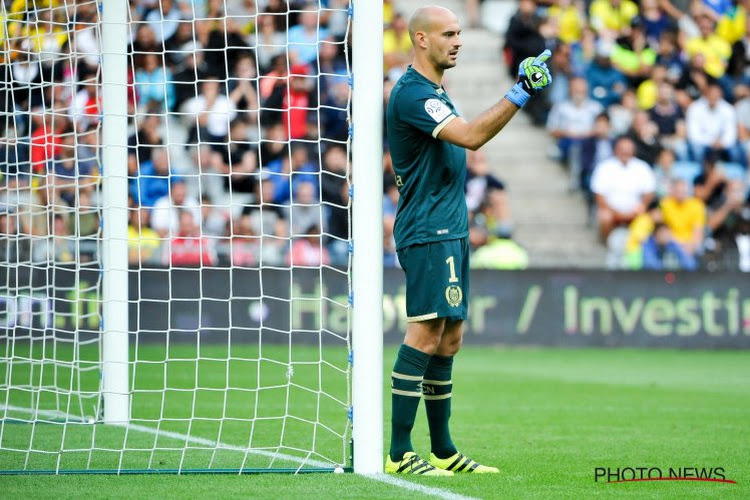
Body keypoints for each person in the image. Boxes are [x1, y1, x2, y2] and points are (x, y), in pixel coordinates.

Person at [384, 5, 551, 476]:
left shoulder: (436, 90)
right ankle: (398, 453)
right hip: (428, 230)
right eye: (448, 34)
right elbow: (472, 137)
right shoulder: (415, 94)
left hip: (451, 228)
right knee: (425, 331)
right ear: (421, 39)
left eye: (460, 33)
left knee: (450, 337)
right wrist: (520, 91)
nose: (458, 41)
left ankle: (443, 449)